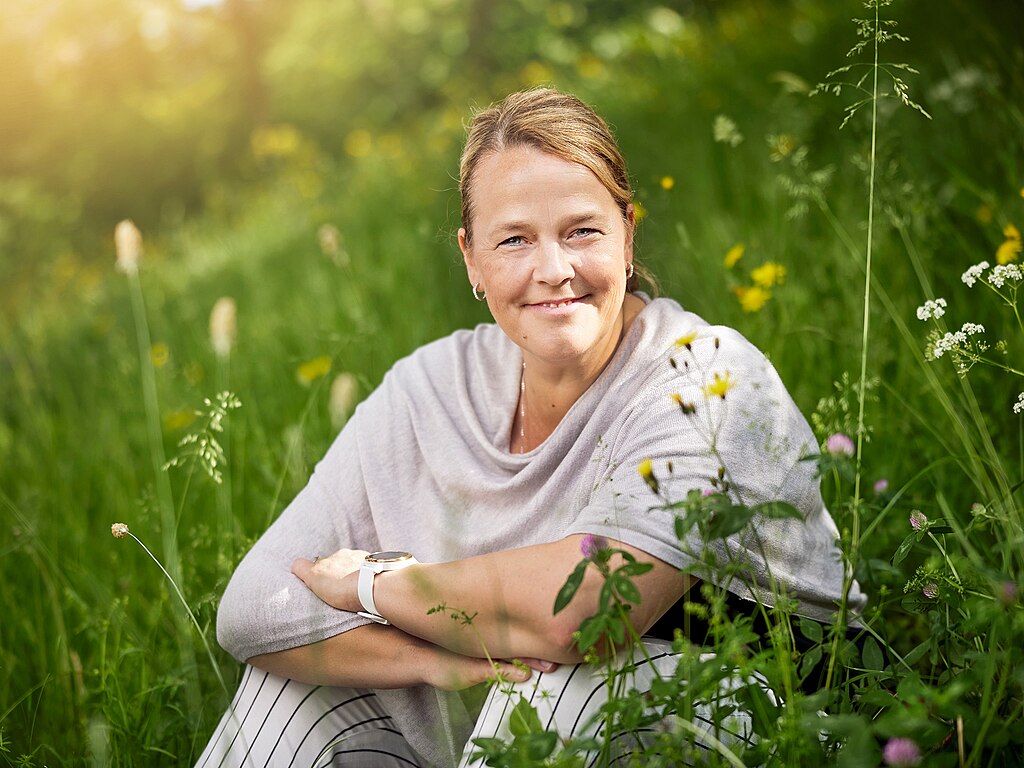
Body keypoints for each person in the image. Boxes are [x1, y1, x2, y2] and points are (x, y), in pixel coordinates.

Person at [197, 88, 865, 768]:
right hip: (524, 703)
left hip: (767, 714)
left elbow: (584, 612)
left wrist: (380, 585)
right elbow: (253, 608)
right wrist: (431, 665)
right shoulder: (430, 386)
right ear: (471, 260)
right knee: (286, 688)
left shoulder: (706, 380)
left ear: (628, 234)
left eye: (582, 230)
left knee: (554, 683)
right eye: (515, 239)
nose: (553, 270)